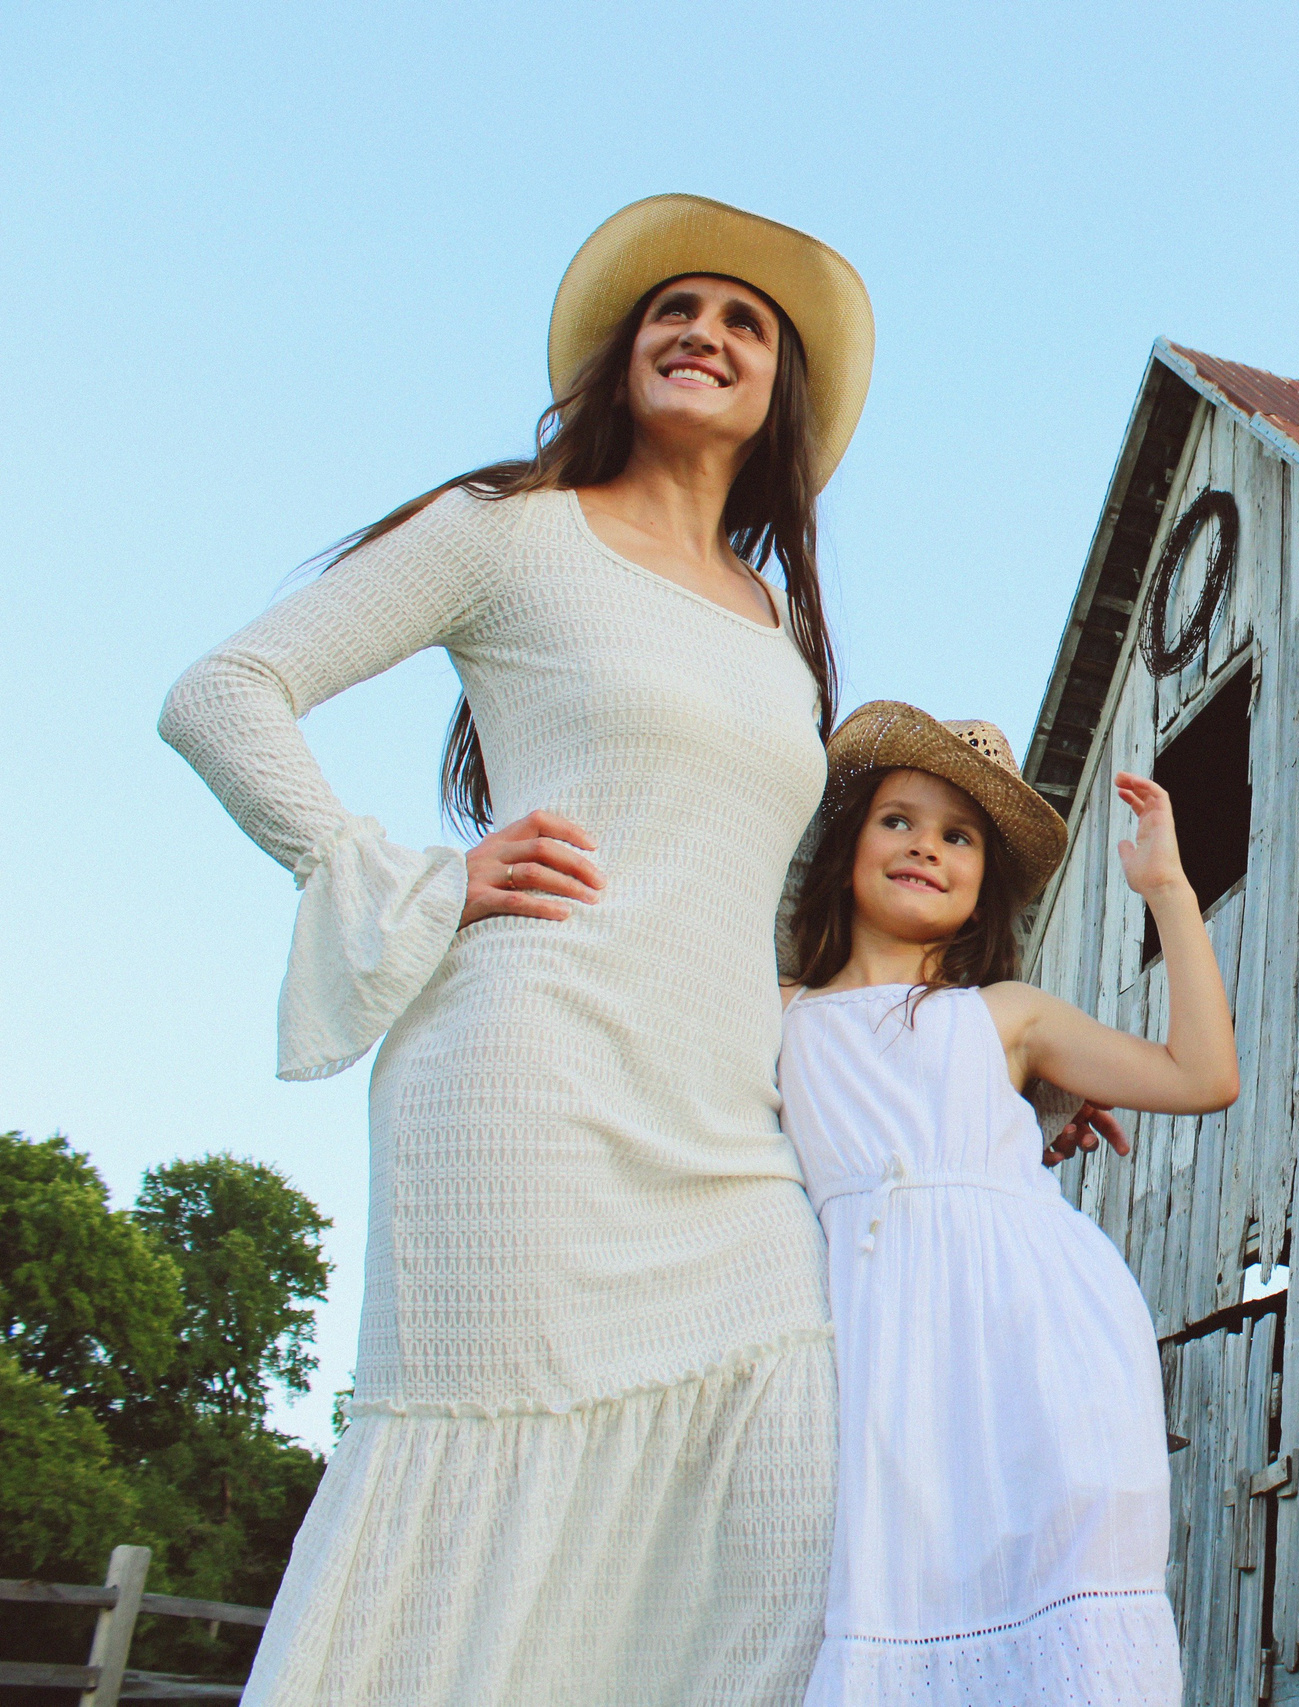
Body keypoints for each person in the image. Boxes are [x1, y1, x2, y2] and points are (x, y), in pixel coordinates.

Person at [160, 194, 877, 1705]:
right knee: (487, 1494)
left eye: (746, 322)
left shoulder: (779, 633)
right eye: (676, 311)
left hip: (723, 1125)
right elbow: (226, 691)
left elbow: (750, 910)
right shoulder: (510, 530)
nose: (706, 332)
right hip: (529, 1065)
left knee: (792, 1495)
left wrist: (962, 1065)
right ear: (625, 358)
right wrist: (404, 873)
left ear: (779, 396)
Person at [778, 702, 1235, 1704]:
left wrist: (1167, 889)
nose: (925, 848)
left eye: (958, 837)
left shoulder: (1005, 1016)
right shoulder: (781, 1016)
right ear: (846, 843)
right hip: (875, 1352)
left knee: (1056, 1607)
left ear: (985, 886)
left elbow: (1202, 1074)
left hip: (1040, 1343)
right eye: (898, 819)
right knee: (886, 1604)